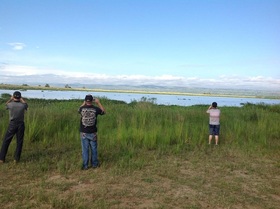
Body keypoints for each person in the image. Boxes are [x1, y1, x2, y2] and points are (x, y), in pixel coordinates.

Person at [78, 94, 105, 170]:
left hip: (83, 132)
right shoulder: (95, 109)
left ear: (86, 101)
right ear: (92, 101)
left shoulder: (82, 109)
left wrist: (84, 103)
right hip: (92, 132)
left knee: (85, 150)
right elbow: (103, 111)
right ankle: (94, 164)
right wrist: (98, 103)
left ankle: (85, 165)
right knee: (94, 149)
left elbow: (78, 109)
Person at [0, 91, 28, 163]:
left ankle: (2, 158)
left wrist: (10, 99)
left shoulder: (10, 105)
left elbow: (6, 104)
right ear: (20, 97)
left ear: (13, 96)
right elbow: (26, 104)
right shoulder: (23, 105)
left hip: (12, 124)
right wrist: (22, 99)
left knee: (6, 141)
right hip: (21, 124)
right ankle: (16, 159)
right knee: (19, 142)